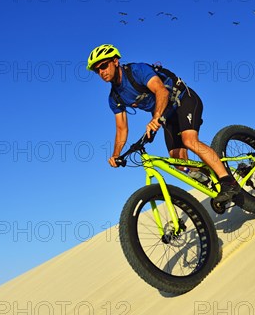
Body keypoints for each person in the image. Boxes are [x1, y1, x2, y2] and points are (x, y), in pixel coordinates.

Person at [87, 44, 240, 203]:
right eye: (97, 70)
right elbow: (121, 128)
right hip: (166, 115)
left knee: (189, 140)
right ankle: (208, 177)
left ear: (115, 61)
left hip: (182, 99)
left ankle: (228, 182)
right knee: (179, 163)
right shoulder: (115, 98)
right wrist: (116, 154)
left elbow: (161, 91)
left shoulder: (137, 71)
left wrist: (156, 118)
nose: (101, 72)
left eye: (103, 66)